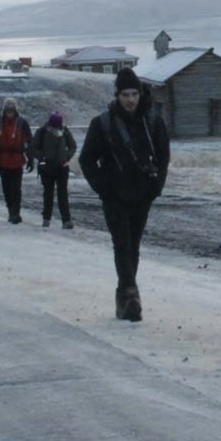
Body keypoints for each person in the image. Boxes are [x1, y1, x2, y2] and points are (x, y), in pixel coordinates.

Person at [78, 68, 170, 322]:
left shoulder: (152, 122)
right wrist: (104, 188)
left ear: (141, 94)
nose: (130, 99)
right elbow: (86, 160)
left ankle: (125, 297)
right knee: (123, 244)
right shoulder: (103, 124)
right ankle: (131, 295)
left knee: (134, 245)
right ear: (117, 95)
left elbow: (163, 157)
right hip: (115, 196)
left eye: (134, 94)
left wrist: (155, 188)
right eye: (125, 94)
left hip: (143, 195)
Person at [0, 98, 34, 223]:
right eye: (8, 110)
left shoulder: (22, 123)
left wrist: (30, 159)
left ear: (15, 111)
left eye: (12, 110)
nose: (10, 113)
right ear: (4, 110)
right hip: (3, 160)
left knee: (16, 188)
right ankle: (10, 210)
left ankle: (16, 212)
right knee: (6, 188)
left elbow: (29, 141)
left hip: (17, 160)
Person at [32, 112, 78, 229]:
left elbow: (73, 145)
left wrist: (67, 156)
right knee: (48, 194)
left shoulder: (65, 131)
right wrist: (42, 157)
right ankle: (46, 219)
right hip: (47, 168)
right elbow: (33, 148)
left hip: (62, 167)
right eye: (55, 126)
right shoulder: (42, 132)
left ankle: (66, 221)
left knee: (63, 194)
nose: (57, 128)